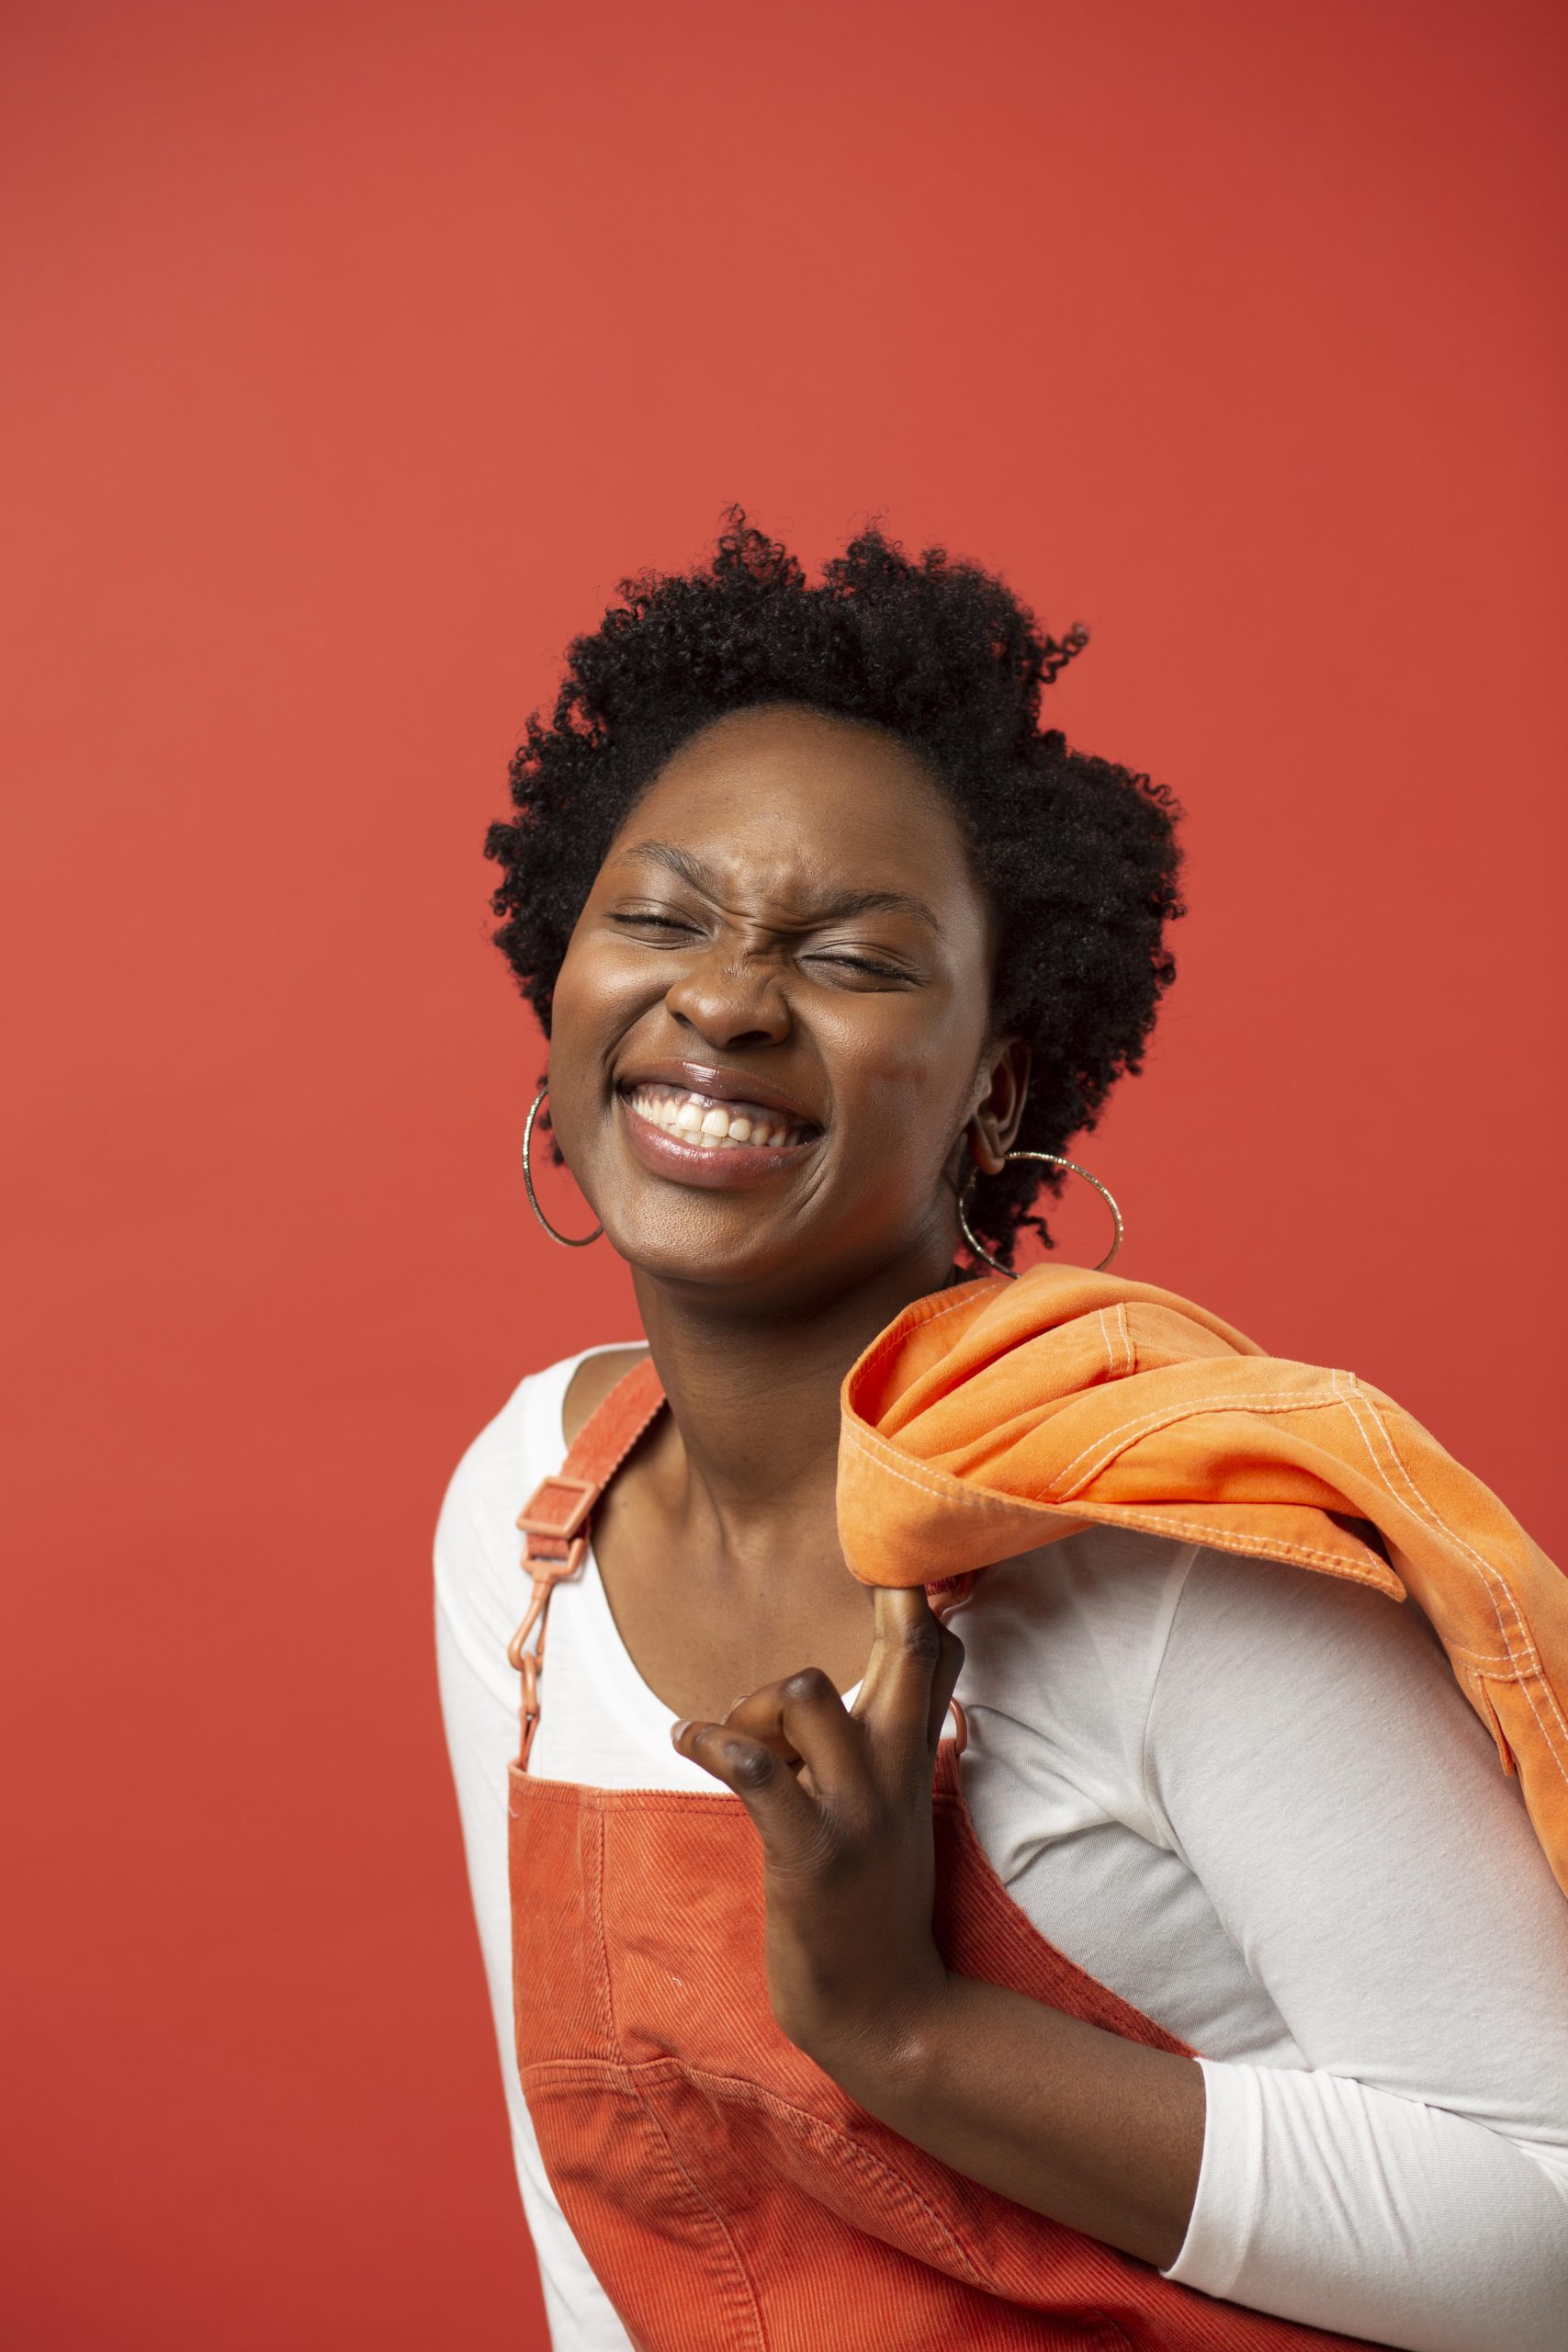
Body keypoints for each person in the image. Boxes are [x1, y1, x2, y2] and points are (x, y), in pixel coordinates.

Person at [435, 516, 1568, 2352]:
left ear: (998, 1087)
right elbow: (608, 2232)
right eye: (653, 917)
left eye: (852, 957)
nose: (718, 999)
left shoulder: (1154, 1554)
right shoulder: (524, 1525)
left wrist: (908, 2031)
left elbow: (1551, 2216)